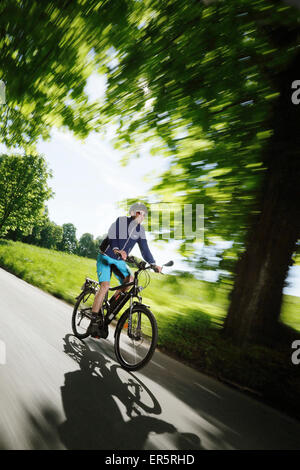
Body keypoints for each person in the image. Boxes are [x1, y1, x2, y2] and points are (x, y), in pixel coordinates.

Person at [89, 202, 162, 338]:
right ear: (133, 213)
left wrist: (153, 264)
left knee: (130, 280)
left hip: (119, 261)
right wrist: (117, 249)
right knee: (105, 286)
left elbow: (145, 249)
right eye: (140, 213)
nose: (143, 216)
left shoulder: (141, 231)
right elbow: (113, 236)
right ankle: (93, 322)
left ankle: (110, 306)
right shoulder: (122, 221)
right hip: (105, 257)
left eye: (145, 214)